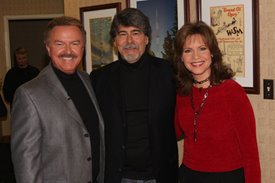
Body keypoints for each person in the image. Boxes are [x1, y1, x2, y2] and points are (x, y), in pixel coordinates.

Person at [11, 16, 105, 183]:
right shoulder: (28, 94)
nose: (68, 51)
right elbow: (26, 163)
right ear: (48, 48)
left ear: (83, 48)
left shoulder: (88, 80)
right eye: (59, 43)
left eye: (75, 43)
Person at [90, 8, 178, 183]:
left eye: (136, 33)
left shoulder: (169, 72)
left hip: (159, 175)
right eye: (122, 34)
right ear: (115, 41)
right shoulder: (99, 79)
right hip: (118, 176)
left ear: (146, 39)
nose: (129, 41)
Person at [173, 21, 261, 183]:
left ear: (212, 53)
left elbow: (250, 153)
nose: (196, 57)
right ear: (181, 57)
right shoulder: (182, 93)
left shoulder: (232, 92)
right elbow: (175, 131)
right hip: (189, 175)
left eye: (202, 49)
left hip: (227, 177)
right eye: (188, 51)